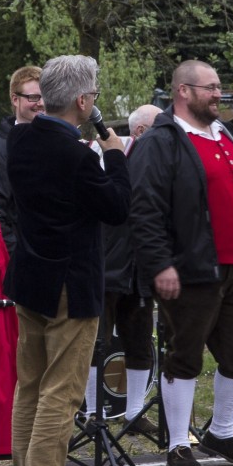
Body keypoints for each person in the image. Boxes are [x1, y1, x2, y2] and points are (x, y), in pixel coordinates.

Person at [129, 61, 233, 466]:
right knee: (185, 353)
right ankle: (178, 444)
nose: (217, 94)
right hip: (192, 266)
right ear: (183, 92)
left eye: (218, 86)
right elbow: (145, 208)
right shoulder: (162, 141)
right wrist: (160, 264)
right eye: (210, 88)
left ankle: (221, 432)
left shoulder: (226, 133)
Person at [6, 54, 129, 466]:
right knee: (62, 390)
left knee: (30, 387)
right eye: (92, 95)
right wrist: (115, 156)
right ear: (82, 101)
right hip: (69, 285)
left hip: (31, 276)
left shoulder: (20, 138)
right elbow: (116, 207)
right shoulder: (76, 155)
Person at [83, 103, 161, 433]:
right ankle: (92, 413)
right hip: (107, 262)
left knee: (140, 339)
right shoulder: (103, 153)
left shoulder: (156, 160)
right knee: (95, 341)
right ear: (140, 131)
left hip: (139, 265)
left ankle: (134, 413)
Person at [0, 65, 44, 266]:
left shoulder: (57, 145)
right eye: (33, 97)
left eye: (45, 96)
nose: (41, 103)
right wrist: (22, 261)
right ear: (15, 100)